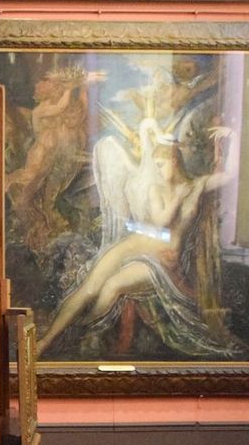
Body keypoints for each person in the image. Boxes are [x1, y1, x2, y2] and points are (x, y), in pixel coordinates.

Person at [37, 120, 237, 358]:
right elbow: (160, 221)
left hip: (162, 259)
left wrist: (234, 136)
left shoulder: (196, 185)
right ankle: (45, 341)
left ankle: (78, 330)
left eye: (161, 164)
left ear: (175, 161)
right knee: (89, 287)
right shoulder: (156, 189)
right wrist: (177, 197)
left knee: (113, 286)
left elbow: (231, 175)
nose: (158, 171)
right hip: (136, 243)